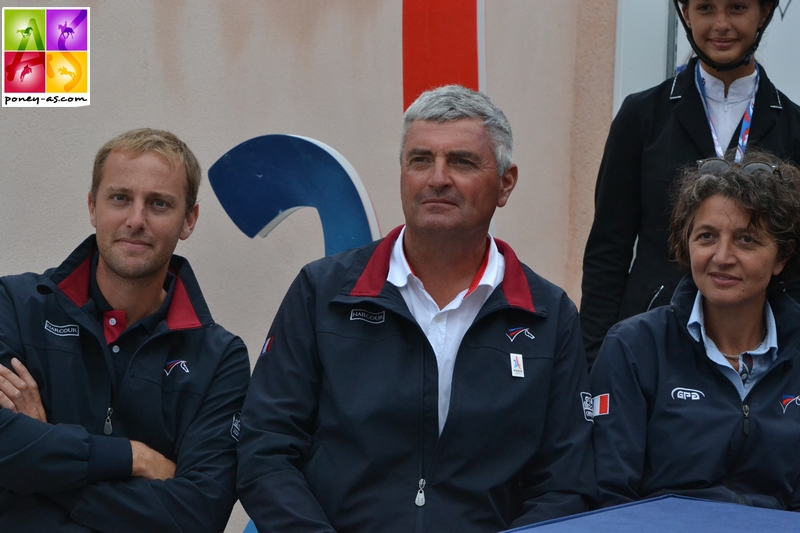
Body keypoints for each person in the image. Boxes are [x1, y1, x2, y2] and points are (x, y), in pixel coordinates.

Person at [237, 85, 596, 532]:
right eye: (420, 160)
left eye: (462, 161)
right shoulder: (322, 292)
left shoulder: (548, 315)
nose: (437, 178)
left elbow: (566, 483)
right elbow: (265, 449)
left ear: (505, 183)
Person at [0, 128, 251, 532]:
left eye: (159, 204)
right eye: (120, 198)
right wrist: (134, 457)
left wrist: (42, 457)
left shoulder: (220, 358)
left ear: (189, 220)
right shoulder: (14, 304)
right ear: (92, 207)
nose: (136, 220)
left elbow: (196, 516)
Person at [580, 0, 800, 368]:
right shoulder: (641, 115)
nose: (720, 24)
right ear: (685, 14)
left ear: (764, 13)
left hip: (764, 350)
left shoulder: (793, 127)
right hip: (653, 342)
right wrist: (592, 360)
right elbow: (607, 250)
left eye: (737, 8)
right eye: (705, 8)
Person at [591, 151, 800, 509]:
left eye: (746, 239)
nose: (722, 256)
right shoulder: (634, 348)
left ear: (781, 257)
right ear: (686, 247)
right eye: (706, 236)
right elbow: (610, 495)